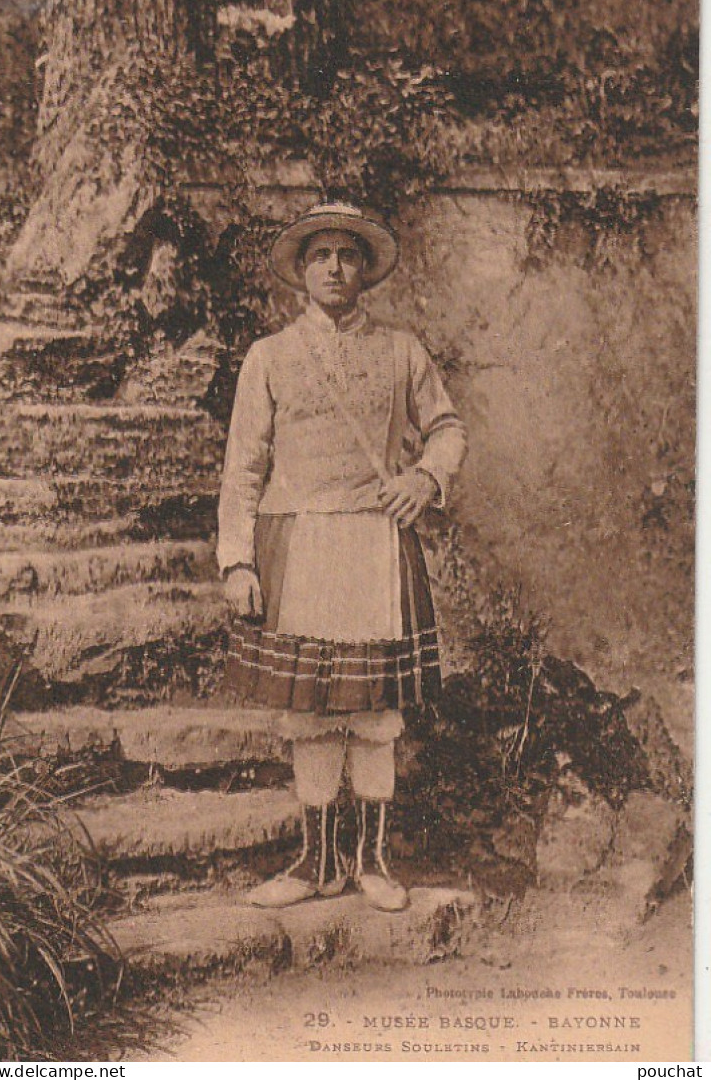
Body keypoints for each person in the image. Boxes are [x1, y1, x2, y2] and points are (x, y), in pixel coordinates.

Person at [217, 200, 467, 911]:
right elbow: (242, 465)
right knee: (310, 713)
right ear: (299, 271)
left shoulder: (401, 351)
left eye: (347, 255)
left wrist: (425, 475)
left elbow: (446, 427)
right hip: (296, 545)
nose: (334, 267)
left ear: (365, 270)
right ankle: (313, 863)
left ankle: (373, 862)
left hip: (373, 544)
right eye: (320, 255)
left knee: (374, 712)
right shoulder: (268, 357)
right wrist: (237, 560)